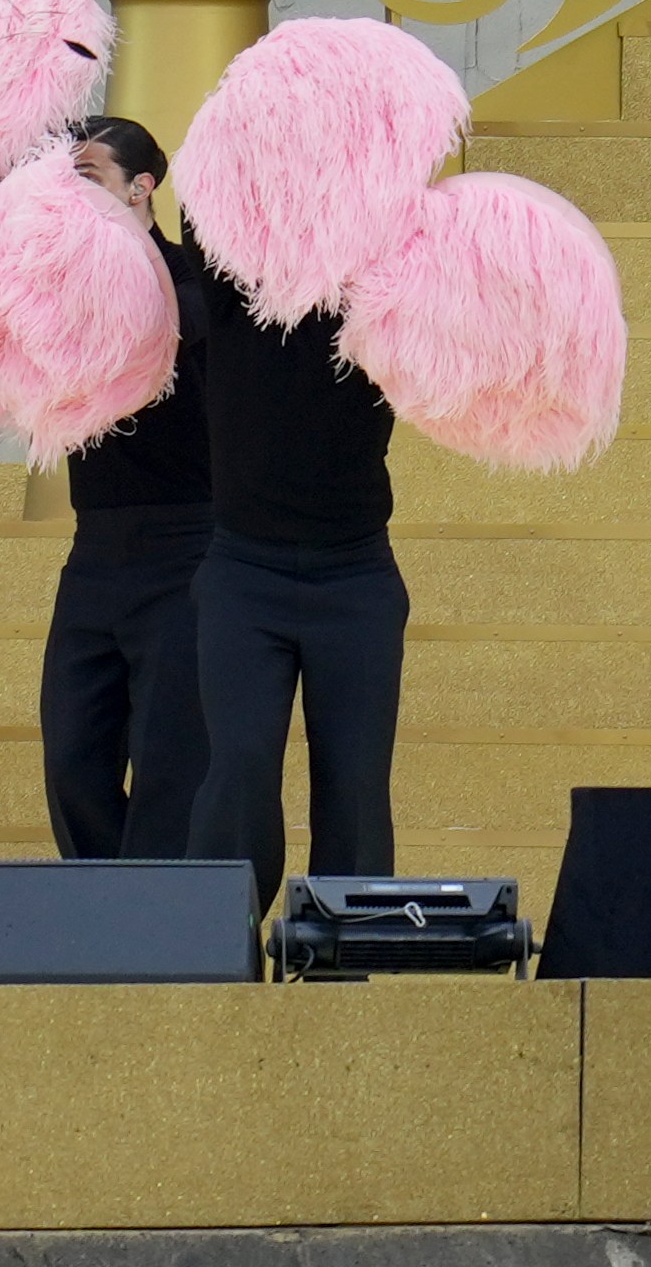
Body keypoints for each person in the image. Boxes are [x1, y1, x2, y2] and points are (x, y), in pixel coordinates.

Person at [181, 218, 406, 907]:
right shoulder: (230, 291)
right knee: (239, 767)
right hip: (244, 575)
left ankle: (343, 963)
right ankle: (217, 945)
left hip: (356, 575)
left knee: (355, 780)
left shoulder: (379, 291)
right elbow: (206, 200)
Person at [38, 117, 213, 861]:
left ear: (140, 189)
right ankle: (96, 910)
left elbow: (171, 335)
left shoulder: (191, 283)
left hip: (187, 545)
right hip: (95, 548)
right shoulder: (59, 293)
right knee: (71, 750)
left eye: (89, 178)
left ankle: (158, 927)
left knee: (170, 758)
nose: (71, 197)